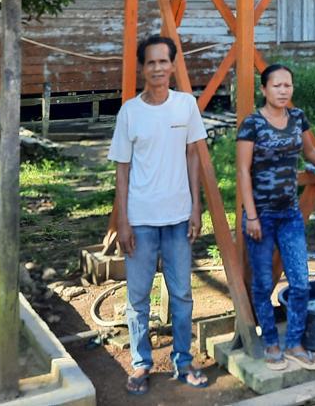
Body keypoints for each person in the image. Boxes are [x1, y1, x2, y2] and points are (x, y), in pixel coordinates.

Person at [110, 35, 210, 394]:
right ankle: (140, 364)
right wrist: (122, 220)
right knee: (138, 297)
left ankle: (183, 361)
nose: (156, 68)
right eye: (150, 62)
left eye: (162, 61)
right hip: (139, 220)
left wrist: (196, 208)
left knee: (181, 293)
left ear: (172, 65)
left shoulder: (185, 106)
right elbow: (122, 169)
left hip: (179, 217)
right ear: (142, 68)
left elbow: (192, 157)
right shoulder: (130, 112)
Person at [237, 64, 315, 371]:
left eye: (287, 85)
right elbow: (242, 172)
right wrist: (250, 216)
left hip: (289, 215)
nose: (283, 90)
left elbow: (311, 152)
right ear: (264, 90)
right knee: (263, 283)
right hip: (260, 215)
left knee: (301, 283)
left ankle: (294, 343)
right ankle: (270, 343)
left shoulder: (297, 118)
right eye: (276, 86)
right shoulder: (252, 124)